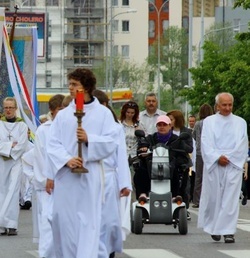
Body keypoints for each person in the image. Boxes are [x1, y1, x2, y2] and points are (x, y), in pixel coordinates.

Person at [47, 68, 119, 257]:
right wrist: (66, 159)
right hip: (66, 177)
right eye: (69, 84)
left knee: (87, 223)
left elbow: (111, 142)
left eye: (74, 84)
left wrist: (90, 139)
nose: (70, 88)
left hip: (90, 176)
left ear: (86, 86)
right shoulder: (63, 115)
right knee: (63, 221)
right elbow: (52, 143)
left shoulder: (103, 114)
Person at [198, 92, 248, 244]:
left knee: (230, 199)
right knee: (214, 198)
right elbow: (205, 142)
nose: (227, 108)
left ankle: (228, 231)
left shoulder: (240, 122)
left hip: (233, 165)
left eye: (230, 105)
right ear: (217, 106)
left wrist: (230, 158)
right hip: (215, 165)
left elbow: (242, 143)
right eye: (224, 105)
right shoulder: (209, 121)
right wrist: (216, 157)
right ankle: (214, 228)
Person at [93, 90, 132, 258]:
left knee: (109, 220)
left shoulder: (115, 128)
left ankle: (108, 251)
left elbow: (121, 156)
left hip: (109, 177)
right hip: (89, 176)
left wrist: (124, 183)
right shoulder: (84, 125)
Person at [0, 97, 28, 236]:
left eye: (11, 107)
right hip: (0, 162)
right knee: (1, 191)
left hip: (15, 162)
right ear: (3, 108)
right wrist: (10, 145)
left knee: (12, 191)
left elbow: (22, 144)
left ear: (16, 108)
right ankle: (1, 226)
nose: (8, 110)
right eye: (6, 108)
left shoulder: (22, 126)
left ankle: (11, 224)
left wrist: (10, 151)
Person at [31, 94, 64, 258]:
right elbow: (41, 158)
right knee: (47, 221)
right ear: (52, 111)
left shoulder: (68, 127)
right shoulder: (44, 130)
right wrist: (45, 180)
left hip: (65, 182)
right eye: (60, 110)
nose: (63, 113)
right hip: (48, 185)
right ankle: (45, 254)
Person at [135, 115, 193, 203]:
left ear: (170, 126)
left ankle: (176, 195)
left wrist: (176, 158)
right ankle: (143, 194)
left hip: (170, 168)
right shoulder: (150, 138)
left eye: (164, 125)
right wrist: (143, 149)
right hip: (152, 168)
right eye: (159, 125)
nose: (162, 127)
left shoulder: (177, 140)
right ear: (156, 126)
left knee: (179, 170)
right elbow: (141, 148)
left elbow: (186, 152)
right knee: (140, 169)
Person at [167, 110, 193, 216]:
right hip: (170, 161)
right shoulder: (168, 131)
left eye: (171, 120)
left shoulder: (186, 132)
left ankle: (184, 208)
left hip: (182, 162)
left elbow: (190, 148)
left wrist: (180, 141)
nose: (169, 122)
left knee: (184, 186)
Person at [191, 104, 214, 208]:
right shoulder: (212, 123)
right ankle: (210, 200)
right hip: (211, 153)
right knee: (210, 177)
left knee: (199, 177)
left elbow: (194, 136)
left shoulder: (197, 124)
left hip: (200, 152)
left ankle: (197, 200)